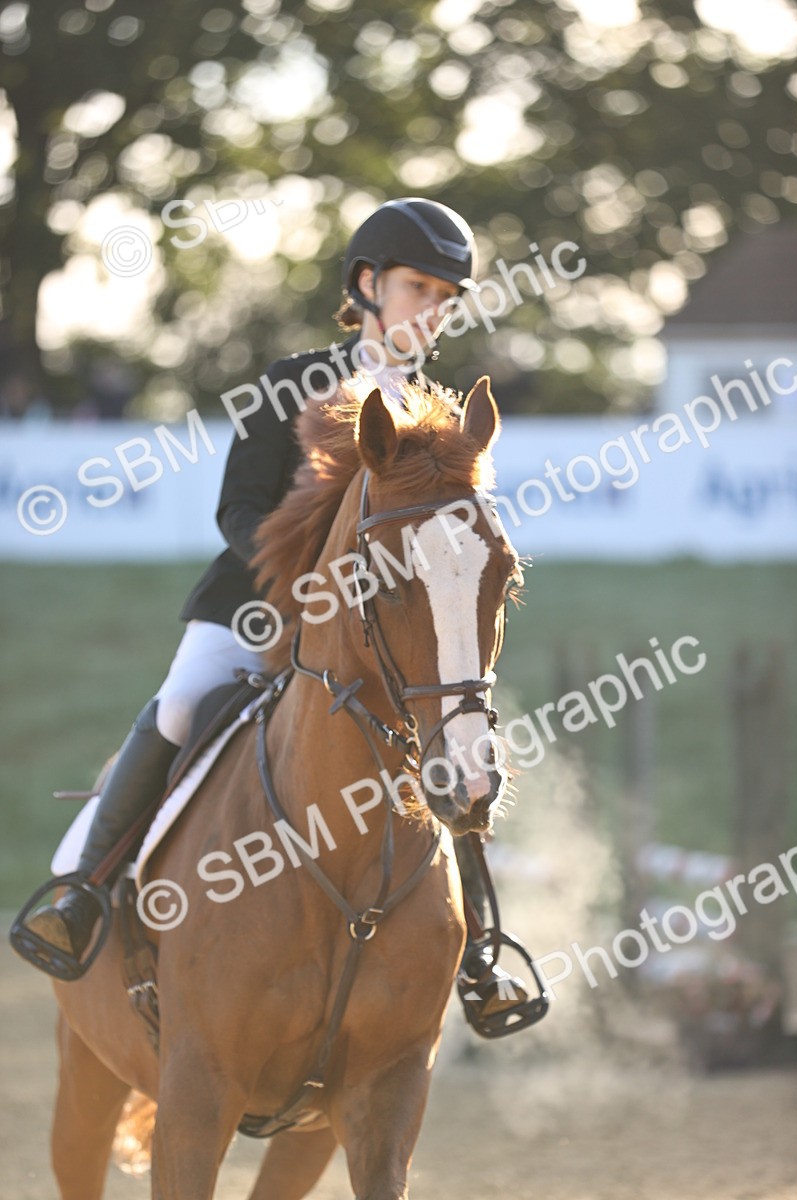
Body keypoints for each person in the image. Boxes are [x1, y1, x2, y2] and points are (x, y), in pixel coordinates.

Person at [18, 197, 529, 1022]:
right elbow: (238, 508)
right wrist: (305, 581)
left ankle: (476, 949)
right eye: (417, 287)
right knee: (184, 704)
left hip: (384, 635)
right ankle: (80, 890)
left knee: (452, 739)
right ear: (366, 283)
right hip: (258, 608)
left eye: (446, 295)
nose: (432, 309)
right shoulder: (292, 381)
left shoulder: (438, 408)